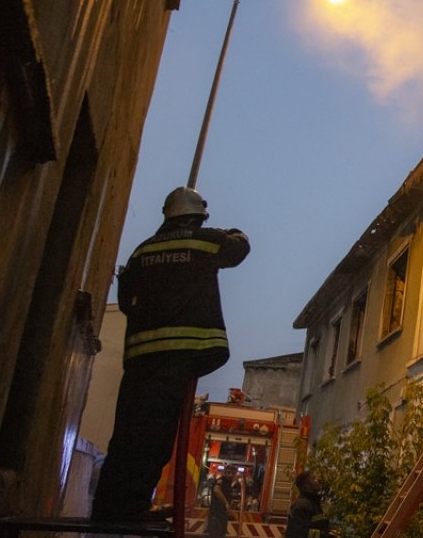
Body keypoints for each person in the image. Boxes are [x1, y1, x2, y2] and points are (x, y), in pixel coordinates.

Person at [90, 186, 251, 521]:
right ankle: (129, 510)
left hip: (140, 359)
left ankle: (108, 506)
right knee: (155, 436)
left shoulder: (141, 252)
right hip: (181, 354)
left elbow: (124, 301)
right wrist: (234, 232)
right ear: (197, 216)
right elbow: (239, 249)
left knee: (128, 432)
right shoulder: (205, 240)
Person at [285, 471, 331, 538]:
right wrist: (323, 535)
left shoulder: (314, 504)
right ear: (306, 485)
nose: (318, 480)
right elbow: (299, 533)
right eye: (313, 478)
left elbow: (319, 526)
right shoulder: (302, 505)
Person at [207, 473, 232, 538]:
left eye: (233, 473)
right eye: (229, 472)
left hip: (221, 515)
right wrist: (226, 503)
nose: (231, 475)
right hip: (217, 515)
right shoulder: (222, 480)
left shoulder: (228, 483)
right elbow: (216, 490)